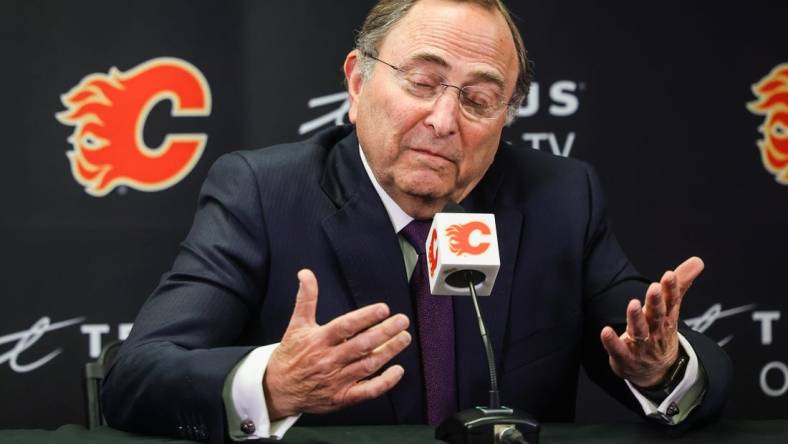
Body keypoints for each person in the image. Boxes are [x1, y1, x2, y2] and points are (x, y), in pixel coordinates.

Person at [102, 0, 731, 443]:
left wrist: (663, 368)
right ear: (357, 82)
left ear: (506, 116)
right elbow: (137, 376)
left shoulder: (562, 198)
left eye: (479, 100)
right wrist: (273, 385)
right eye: (423, 82)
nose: (443, 120)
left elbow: (646, 341)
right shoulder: (265, 193)